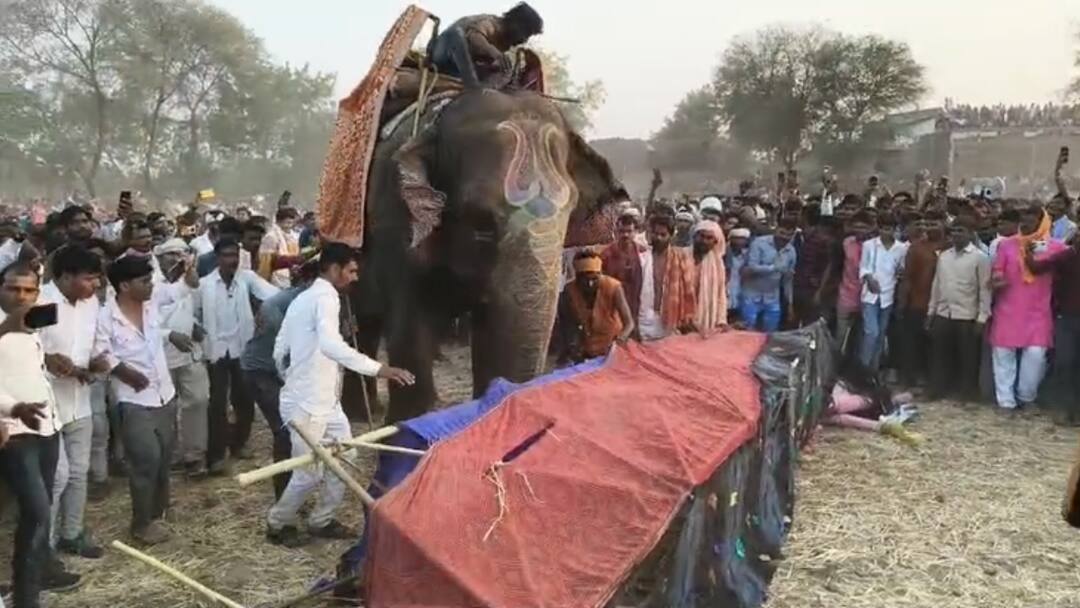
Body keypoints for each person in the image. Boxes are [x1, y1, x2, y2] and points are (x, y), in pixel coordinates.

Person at [267, 243, 414, 547]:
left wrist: (295, 376)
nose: (355, 277)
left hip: (324, 400)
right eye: (351, 271)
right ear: (334, 269)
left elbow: (280, 350)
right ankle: (278, 524)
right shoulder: (324, 298)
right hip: (306, 403)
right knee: (308, 473)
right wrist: (380, 369)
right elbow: (329, 346)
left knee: (346, 456)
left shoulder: (307, 297)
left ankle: (321, 520)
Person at [96, 255, 198, 545]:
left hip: (164, 393)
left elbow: (184, 287)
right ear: (125, 286)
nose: (151, 285)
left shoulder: (151, 303)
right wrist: (124, 372)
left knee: (164, 457)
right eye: (144, 281)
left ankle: (158, 511)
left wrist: (189, 272)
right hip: (133, 399)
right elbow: (99, 355)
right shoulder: (106, 317)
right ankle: (140, 525)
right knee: (145, 460)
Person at [0, 263, 83, 607]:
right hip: (14, 433)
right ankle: (25, 596)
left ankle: (29, 589)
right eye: (13, 288)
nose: (21, 296)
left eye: (29, 290)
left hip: (46, 427)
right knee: (37, 513)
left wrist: (49, 360)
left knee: (38, 513)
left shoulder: (32, 321)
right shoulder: (6, 323)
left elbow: (23, 364)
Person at [39, 245, 108, 560]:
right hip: (47, 402)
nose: (96, 284)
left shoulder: (90, 303)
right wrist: (47, 359)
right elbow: (21, 344)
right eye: (89, 278)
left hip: (80, 399)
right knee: (57, 477)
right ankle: (45, 546)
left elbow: (95, 343)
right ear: (66, 277)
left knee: (79, 471)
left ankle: (72, 533)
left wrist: (95, 362)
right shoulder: (42, 302)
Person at [200, 238, 279, 473]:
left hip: (241, 347)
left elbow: (274, 295)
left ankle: (239, 443)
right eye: (226, 255)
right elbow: (193, 312)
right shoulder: (205, 284)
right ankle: (216, 455)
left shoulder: (246, 279)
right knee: (217, 404)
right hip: (216, 350)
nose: (232, 260)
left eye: (234, 255)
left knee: (244, 399)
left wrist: (262, 311)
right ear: (217, 258)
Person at [241, 261, 317, 499]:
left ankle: (295, 491)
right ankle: (284, 498)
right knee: (285, 430)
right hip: (263, 371)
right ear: (307, 282)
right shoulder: (278, 307)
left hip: (286, 373)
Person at [988, 207, 1065, 411]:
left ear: (1042, 224)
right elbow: (998, 270)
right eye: (1023, 221)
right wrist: (997, 279)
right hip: (1008, 310)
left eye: (1031, 222)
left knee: (1036, 357)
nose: (1025, 225)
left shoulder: (1056, 248)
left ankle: (1026, 396)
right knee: (1003, 356)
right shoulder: (1006, 245)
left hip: (1038, 313)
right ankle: (1006, 402)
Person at [155, 238, 209, 477]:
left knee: (197, 400)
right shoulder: (150, 283)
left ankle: (194, 456)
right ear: (159, 258)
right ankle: (169, 455)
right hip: (160, 356)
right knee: (165, 408)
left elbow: (193, 307)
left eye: (181, 254)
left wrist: (195, 325)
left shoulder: (189, 280)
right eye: (171, 254)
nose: (177, 259)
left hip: (189, 351)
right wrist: (169, 335)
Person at [926, 222, 992, 401]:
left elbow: (985, 290)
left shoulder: (980, 258)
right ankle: (937, 389)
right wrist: (931, 311)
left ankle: (967, 392)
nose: (956, 234)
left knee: (967, 356)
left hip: (967, 314)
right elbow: (937, 284)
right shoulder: (944, 256)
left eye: (961, 230)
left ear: (971, 233)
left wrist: (982, 318)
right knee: (939, 354)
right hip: (943, 312)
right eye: (954, 231)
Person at [431, 2, 544, 89]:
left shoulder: (504, 43)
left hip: (458, 70)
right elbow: (473, 37)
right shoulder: (492, 23)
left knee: (504, 69)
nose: (524, 40)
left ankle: (484, 90)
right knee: (456, 35)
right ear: (516, 23)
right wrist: (495, 53)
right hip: (443, 54)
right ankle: (473, 87)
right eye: (526, 33)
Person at [896, 213, 945, 387]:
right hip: (917, 302)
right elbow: (907, 277)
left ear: (943, 224)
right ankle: (909, 378)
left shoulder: (950, 247)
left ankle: (933, 379)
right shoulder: (916, 248)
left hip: (943, 306)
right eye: (927, 224)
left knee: (935, 345)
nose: (929, 228)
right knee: (912, 343)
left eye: (934, 224)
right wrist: (902, 302)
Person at [559, 250, 634, 362]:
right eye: (585, 280)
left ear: (600, 275)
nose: (590, 284)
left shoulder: (613, 287)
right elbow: (568, 324)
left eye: (594, 279)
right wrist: (573, 346)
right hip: (587, 349)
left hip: (612, 348)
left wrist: (620, 340)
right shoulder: (570, 290)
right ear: (577, 278)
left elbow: (629, 324)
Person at [858, 214, 909, 370]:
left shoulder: (902, 248)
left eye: (890, 229)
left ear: (895, 230)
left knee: (881, 335)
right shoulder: (869, 245)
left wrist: (901, 272)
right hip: (870, 295)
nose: (886, 232)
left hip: (888, 295)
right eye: (883, 228)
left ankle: (873, 370)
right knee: (871, 332)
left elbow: (901, 270)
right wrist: (869, 279)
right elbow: (863, 267)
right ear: (878, 229)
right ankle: (862, 369)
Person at [637, 214, 696, 341]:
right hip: (644, 317)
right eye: (655, 234)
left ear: (671, 236)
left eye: (663, 235)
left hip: (670, 319)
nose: (658, 238)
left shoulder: (680, 258)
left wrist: (687, 317)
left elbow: (688, 290)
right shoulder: (642, 257)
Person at [740, 219, 796, 332]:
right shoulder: (759, 243)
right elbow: (751, 267)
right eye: (782, 233)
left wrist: (790, 303)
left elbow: (788, 280)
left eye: (789, 235)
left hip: (772, 297)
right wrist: (774, 268)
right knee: (748, 331)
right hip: (751, 294)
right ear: (776, 230)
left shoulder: (791, 251)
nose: (784, 237)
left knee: (770, 333)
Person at [601, 213, 645, 331]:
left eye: (629, 231)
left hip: (637, 305)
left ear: (636, 232)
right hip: (613, 306)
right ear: (616, 232)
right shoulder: (606, 255)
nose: (625, 235)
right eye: (622, 231)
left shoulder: (643, 253)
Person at [691, 220, 731, 332]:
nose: (704, 241)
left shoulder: (717, 264)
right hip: (681, 318)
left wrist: (721, 320)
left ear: (715, 242)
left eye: (709, 238)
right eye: (701, 236)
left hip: (705, 316)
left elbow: (720, 293)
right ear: (694, 237)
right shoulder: (681, 256)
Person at [259, 208, 304, 289]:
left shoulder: (292, 236)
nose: (289, 226)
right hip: (276, 275)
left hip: (290, 274)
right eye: (287, 223)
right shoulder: (271, 236)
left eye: (291, 223)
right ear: (278, 222)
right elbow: (266, 262)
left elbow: (294, 254)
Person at [724, 227, 751, 323]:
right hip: (726, 292)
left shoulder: (748, 255)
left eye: (742, 239)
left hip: (741, 294)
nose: (739, 241)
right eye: (737, 238)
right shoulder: (722, 254)